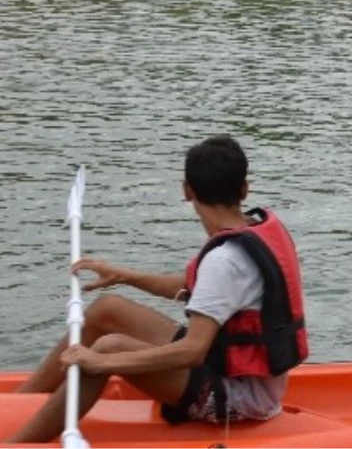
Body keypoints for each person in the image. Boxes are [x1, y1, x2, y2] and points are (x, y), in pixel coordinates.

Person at [5, 135, 308, 444]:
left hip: (240, 399)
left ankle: (19, 443)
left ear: (187, 191)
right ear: (244, 188)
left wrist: (102, 363)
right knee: (107, 309)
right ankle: (15, 407)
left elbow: (193, 351)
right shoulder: (253, 231)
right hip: (226, 369)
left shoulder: (226, 259)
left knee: (110, 348)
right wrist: (124, 275)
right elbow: (204, 289)